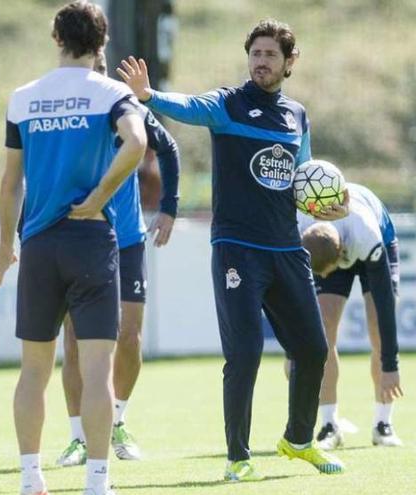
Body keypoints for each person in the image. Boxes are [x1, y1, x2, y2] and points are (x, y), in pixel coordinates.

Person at [117, 18, 348, 480]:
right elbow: (189, 106)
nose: (261, 62)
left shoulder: (297, 116)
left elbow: (303, 181)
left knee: (313, 347)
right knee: (243, 354)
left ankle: (298, 440)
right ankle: (238, 457)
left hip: (286, 248)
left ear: (289, 63)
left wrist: (327, 207)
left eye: (270, 55)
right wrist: (150, 97)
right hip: (237, 248)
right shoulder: (228, 104)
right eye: (256, 54)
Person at [0, 2, 147, 494]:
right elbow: (138, 142)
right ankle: (97, 482)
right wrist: (101, 195)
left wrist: (3, 244)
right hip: (90, 239)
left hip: (38, 243)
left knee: (33, 370)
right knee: (97, 369)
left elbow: (11, 180)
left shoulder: (23, 98)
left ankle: (29, 477)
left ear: (56, 38)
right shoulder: (111, 93)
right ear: (101, 44)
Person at [56, 51, 181, 467]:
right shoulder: (64, 111)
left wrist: (169, 207)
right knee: (74, 341)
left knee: (129, 338)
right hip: (79, 236)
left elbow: (169, 148)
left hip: (126, 240)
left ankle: (117, 422)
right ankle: (77, 436)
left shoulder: (125, 108)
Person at [296, 182, 404, 449]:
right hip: (325, 245)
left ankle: (383, 424)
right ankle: (329, 425)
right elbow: (292, 298)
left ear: (341, 254)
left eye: (326, 273)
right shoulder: (297, 228)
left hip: (378, 239)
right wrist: (293, 352)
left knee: (376, 325)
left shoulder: (365, 234)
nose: (322, 278)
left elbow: (385, 305)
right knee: (322, 329)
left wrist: (391, 364)